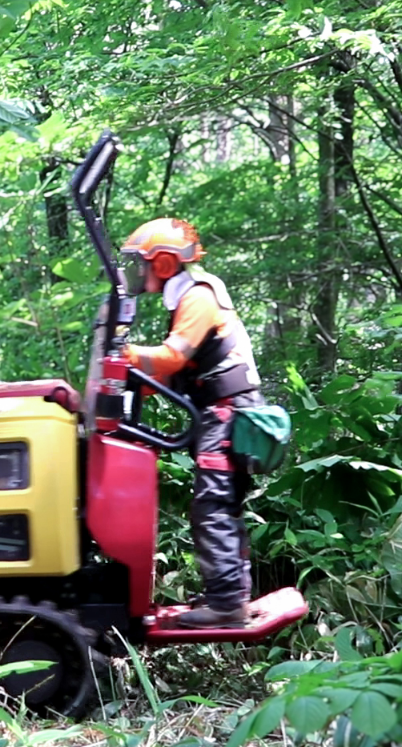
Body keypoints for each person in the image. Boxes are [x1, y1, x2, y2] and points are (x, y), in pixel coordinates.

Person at [119, 218, 265, 629]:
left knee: (212, 504)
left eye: (141, 263)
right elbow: (164, 374)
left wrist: (122, 353)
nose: (137, 272)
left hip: (227, 411)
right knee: (222, 503)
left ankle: (226, 605)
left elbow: (171, 358)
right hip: (223, 410)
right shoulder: (187, 298)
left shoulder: (199, 296)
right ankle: (232, 596)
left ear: (163, 264)